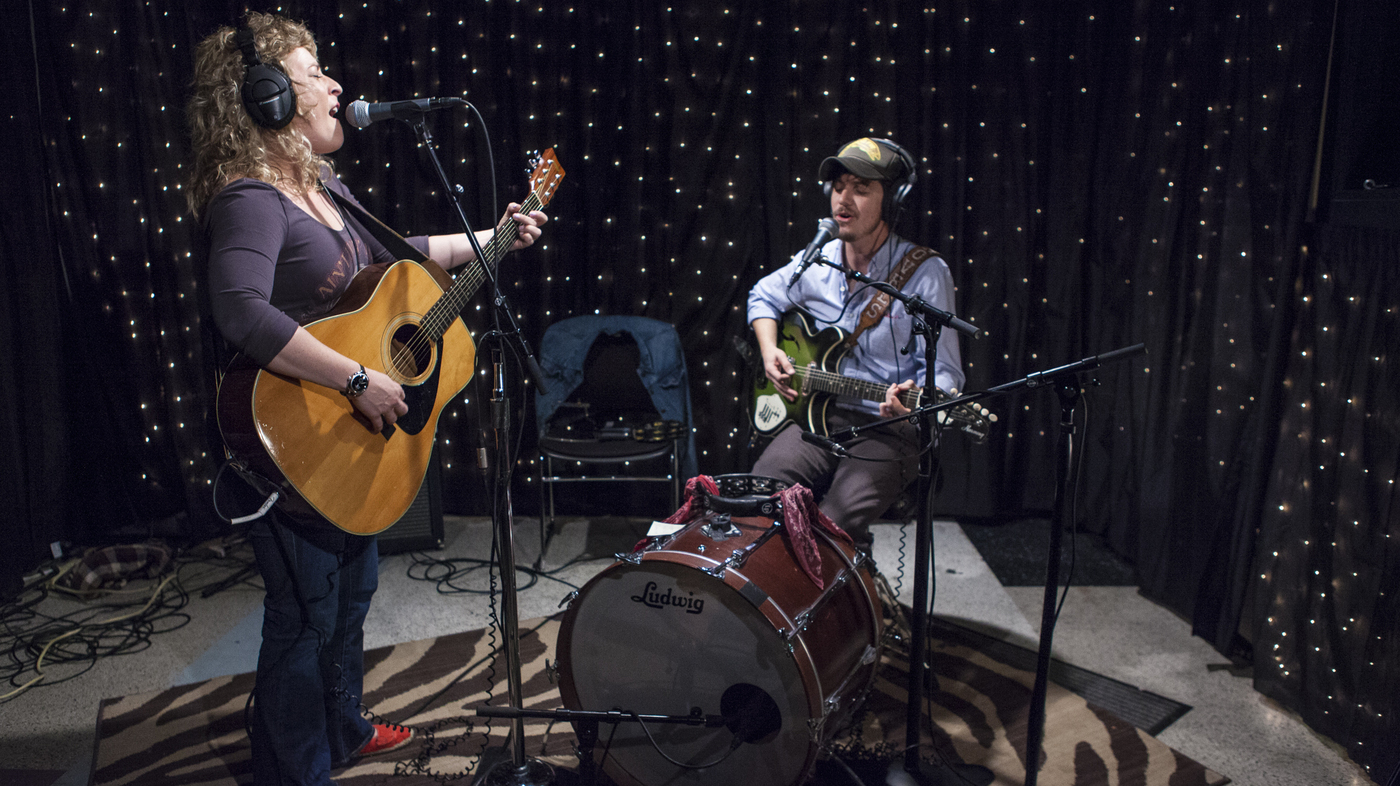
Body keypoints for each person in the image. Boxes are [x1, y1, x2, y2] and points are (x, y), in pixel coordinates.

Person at [185, 12, 547, 785]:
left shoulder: (321, 189)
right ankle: (294, 767)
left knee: (350, 600)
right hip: (295, 435)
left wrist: (497, 235)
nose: (335, 84)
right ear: (268, 96)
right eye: (315, 71)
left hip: (347, 444)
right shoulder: (250, 197)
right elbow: (242, 312)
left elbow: (405, 258)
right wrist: (352, 378)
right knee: (304, 617)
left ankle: (343, 729)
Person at [747, 137, 965, 554]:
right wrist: (769, 347)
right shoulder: (820, 259)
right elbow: (764, 295)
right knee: (761, 495)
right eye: (839, 186)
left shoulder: (926, 273)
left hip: (889, 428)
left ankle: (845, 599)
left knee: (833, 523)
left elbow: (947, 374)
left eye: (862, 188)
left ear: (894, 201)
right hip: (822, 415)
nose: (843, 199)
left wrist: (917, 404)